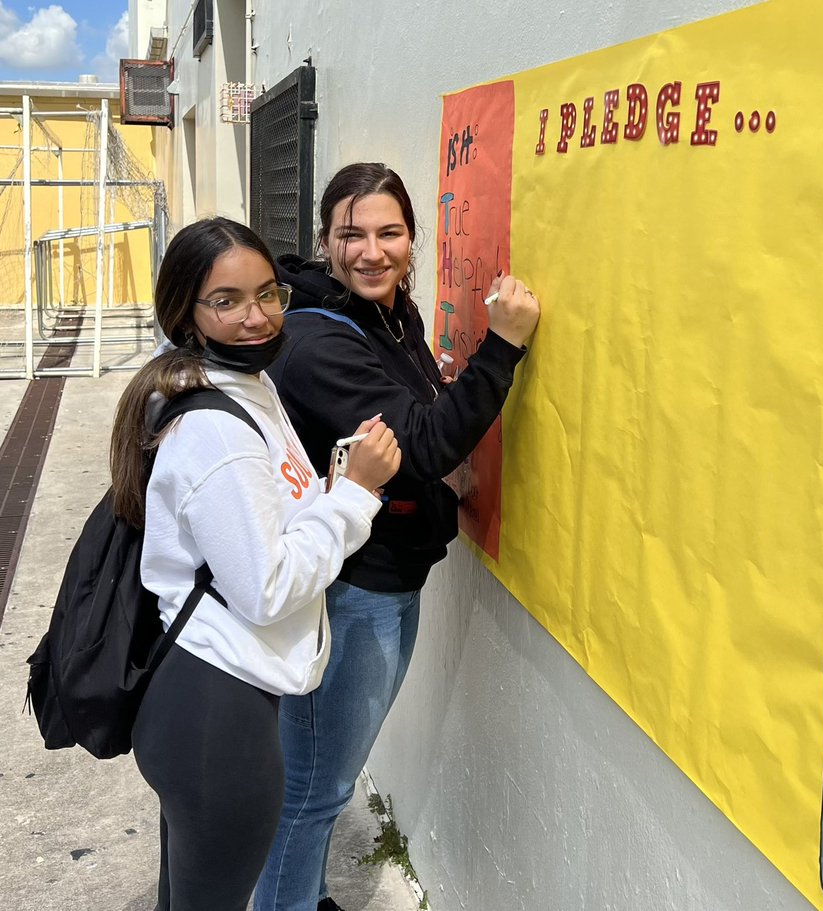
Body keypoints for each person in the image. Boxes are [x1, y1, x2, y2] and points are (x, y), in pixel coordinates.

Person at [255, 162, 540, 911]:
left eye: (389, 232)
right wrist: (503, 345)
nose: (371, 250)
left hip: (389, 579)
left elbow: (408, 420)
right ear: (324, 241)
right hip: (352, 593)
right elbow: (420, 440)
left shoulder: (390, 313)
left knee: (320, 779)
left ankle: (300, 896)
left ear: (413, 239)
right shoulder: (318, 341)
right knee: (317, 787)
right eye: (351, 234)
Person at [111, 216, 401, 911]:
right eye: (228, 300)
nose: (257, 316)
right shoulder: (217, 429)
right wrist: (357, 495)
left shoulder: (243, 385)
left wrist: (332, 487)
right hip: (218, 714)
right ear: (187, 311)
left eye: (268, 294)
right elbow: (268, 588)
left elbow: (267, 518)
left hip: (205, 697)